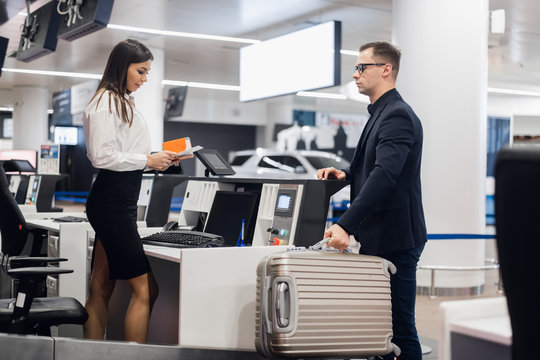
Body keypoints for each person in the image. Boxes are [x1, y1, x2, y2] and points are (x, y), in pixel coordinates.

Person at [317, 41, 427, 359]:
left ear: (386, 69)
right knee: (382, 327)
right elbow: (372, 168)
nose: (355, 74)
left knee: (401, 329)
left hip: (397, 238)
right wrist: (345, 175)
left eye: (361, 67)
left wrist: (344, 225)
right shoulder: (380, 113)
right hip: (382, 235)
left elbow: (385, 176)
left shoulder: (397, 116)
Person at [83, 39, 179, 343]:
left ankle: (91, 353)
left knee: (101, 287)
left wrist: (153, 160)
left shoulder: (120, 100)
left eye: (148, 72)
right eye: (141, 70)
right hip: (112, 202)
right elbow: (101, 156)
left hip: (117, 200)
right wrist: (147, 160)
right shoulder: (105, 101)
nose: (145, 78)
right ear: (122, 65)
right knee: (146, 289)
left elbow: (123, 152)